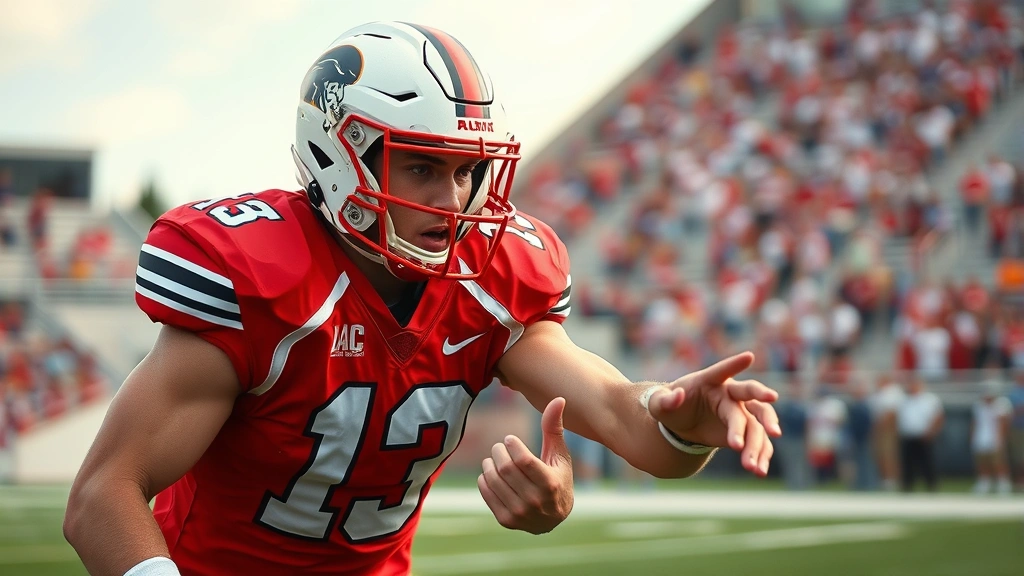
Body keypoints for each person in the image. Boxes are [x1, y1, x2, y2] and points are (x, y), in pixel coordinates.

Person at [62, 22, 781, 576]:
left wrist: (684, 425)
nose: (454, 200)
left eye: (467, 170)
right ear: (339, 156)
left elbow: (633, 425)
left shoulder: (491, 280)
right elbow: (103, 494)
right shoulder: (259, 275)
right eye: (420, 167)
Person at [896, 375, 944, 492]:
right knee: (908, 464)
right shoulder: (904, 400)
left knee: (927, 463)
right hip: (908, 436)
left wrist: (932, 432)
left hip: (924, 436)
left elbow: (938, 417)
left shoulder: (930, 399)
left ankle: (931, 486)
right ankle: (907, 486)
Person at [971, 379, 1013, 495]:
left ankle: (1003, 484)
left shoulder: (1002, 404)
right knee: (982, 462)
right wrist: (973, 436)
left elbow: (1004, 422)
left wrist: (1000, 438)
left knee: (998, 462)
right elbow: (976, 422)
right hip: (981, 437)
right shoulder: (979, 405)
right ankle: (984, 483)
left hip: (994, 437)